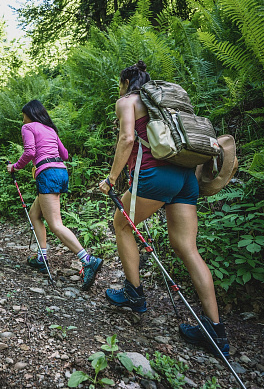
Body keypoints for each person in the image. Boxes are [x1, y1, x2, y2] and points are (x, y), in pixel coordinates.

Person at [98, 61, 230, 357]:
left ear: (125, 82)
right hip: (186, 177)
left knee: (121, 225)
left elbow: (127, 138)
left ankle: (134, 294)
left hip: (156, 176)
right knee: (187, 248)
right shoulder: (167, 105)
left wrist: (112, 179)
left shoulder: (127, 101)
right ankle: (215, 330)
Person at [7, 100, 103, 291]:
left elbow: (30, 152)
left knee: (55, 224)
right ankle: (41, 257)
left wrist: (15, 167)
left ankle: (87, 259)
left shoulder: (28, 127)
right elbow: (65, 155)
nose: (23, 118)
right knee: (35, 214)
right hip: (61, 172)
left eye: (24, 114)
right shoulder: (50, 129)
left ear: (29, 114)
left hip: (47, 174)